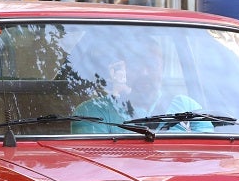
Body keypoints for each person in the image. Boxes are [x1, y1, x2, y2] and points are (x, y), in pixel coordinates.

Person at [72, 44, 210, 134]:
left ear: (162, 69)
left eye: (151, 65)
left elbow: (208, 153)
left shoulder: (186, 107)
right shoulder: (93, 111)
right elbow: (96, 163)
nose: (144, 73)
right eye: (137, 65)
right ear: (125, 69)